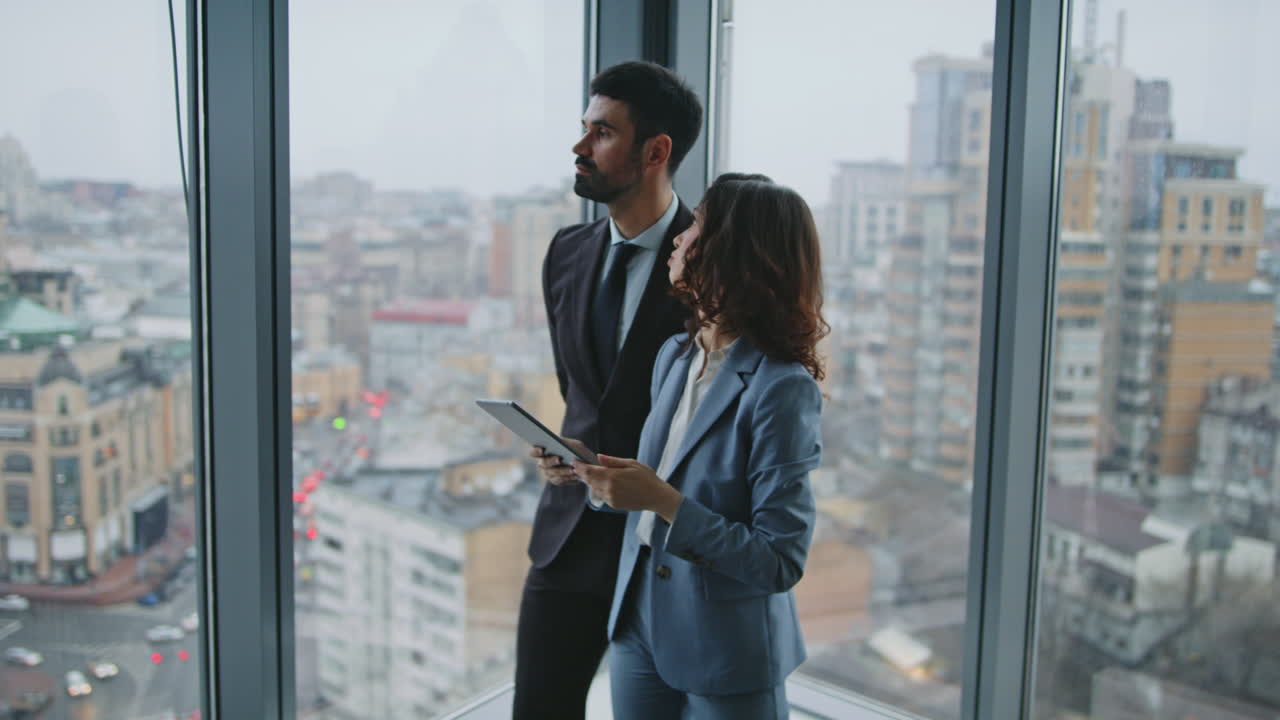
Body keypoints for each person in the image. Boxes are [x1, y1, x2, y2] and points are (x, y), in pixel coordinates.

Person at [570, 173, 828, 719]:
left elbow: (779, 560)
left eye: (695, 229)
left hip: (727, 649)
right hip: (639, 618)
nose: (679, 238)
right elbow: (653, 488)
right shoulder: (675, 357)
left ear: (733, 253)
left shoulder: (780, 387)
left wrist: (662, 500)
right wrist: (595, 477)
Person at [514, 61, 703, 720]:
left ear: (656, 152)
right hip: (569, 540)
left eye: (602, 133)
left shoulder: (714, 262)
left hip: (668, 550)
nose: (579, 148)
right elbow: (583, 394)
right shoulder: (565, 252)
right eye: (583, 129)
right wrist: (562, 450)